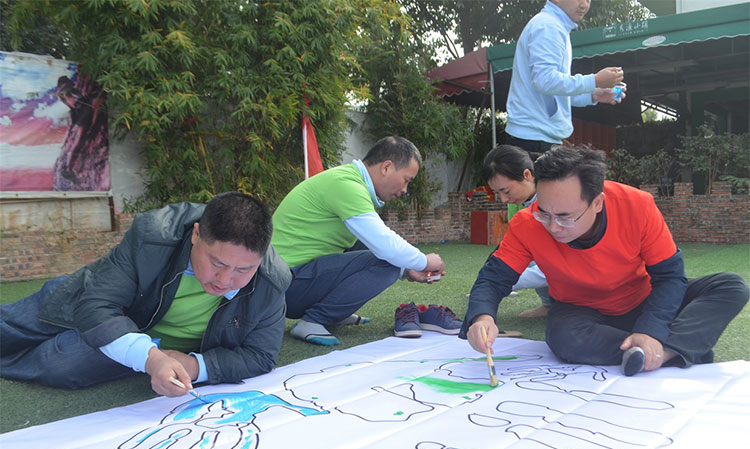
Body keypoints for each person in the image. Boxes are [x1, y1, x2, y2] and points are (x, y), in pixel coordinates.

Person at [461, 146, 749, 376]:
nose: (553, 226)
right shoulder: (527, 223)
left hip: (644, 298)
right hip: (581, 311)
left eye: (565, 216)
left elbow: (670, 277)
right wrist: (482, 317)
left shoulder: (637, 205)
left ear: (597, 202)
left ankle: (662, 352)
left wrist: (650, 330)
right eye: (544, 212)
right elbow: (493, 278)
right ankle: (672, 347)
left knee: (730, 286)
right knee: (563, 338)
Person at [1, 192, 292, 397]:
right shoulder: (154, 235)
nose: (225, 280)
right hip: (90, 299)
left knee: (60, 364)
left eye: (243, 269)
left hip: (141, 341)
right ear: (196, 234)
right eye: (216, 263)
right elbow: (98, 305)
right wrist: (151, 360)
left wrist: (193, 365)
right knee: (10, 327)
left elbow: (260, 355)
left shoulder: (272, 279)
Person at [272, 136, 445, 346]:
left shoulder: (348, 181)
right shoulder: (346, 185)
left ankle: (334, 313)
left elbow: (370, 244)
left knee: (368, 247)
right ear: (387, 167)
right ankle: (315, 320)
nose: (405, 190)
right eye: (406, 180)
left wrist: (407, 270)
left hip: (286, 284)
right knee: (388, 261)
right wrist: (424, 262)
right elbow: (385, 245)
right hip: (285, 287)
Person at [504, 0, 625, 153]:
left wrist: (593, 95)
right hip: (533, 140)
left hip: (535, 137)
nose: (584, 5)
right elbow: (544, 81)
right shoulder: (549, 26)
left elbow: (553, 91)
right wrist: (594, 81)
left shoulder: (555, 25)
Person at [485, 145, 552, 318]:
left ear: (527, 175)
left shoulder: (554, 203)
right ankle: (550, 305)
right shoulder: (527, 204)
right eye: (498, 193)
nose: (503, 199)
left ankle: (561, 306)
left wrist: (503, 281)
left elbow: (553, 267)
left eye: (506, 191)